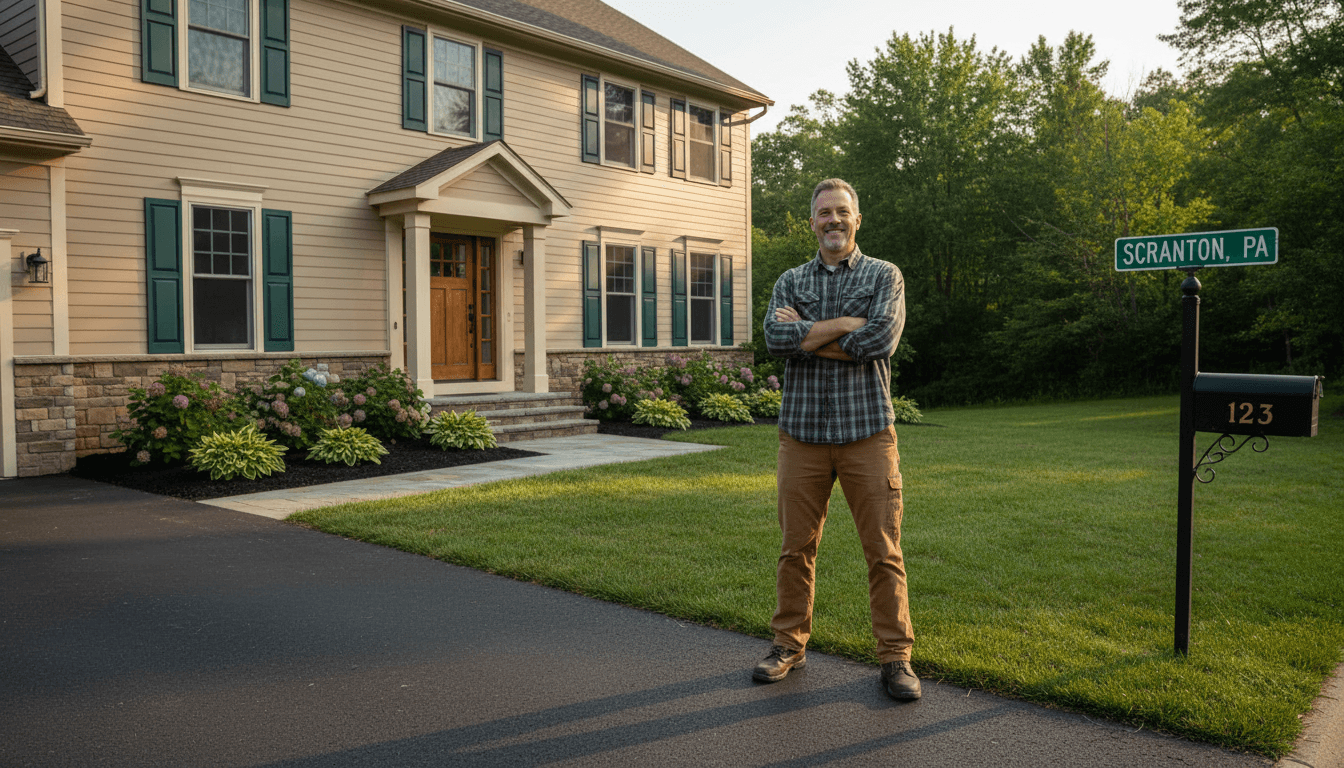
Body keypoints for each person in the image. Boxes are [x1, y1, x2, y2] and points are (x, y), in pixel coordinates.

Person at [755, 178, 919, 700]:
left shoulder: (883, 275)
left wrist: (809, 333)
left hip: (867, 433)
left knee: (883, 550)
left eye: (841, 212)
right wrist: (846, 324)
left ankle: (896, 660)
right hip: (800, 436)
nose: (832, 220)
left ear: (857, 219)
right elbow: (775, 338)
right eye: (823, 213)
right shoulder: (790, 280)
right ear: (812, 222)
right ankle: (788, 645)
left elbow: (880, 339)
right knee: (794, 549)